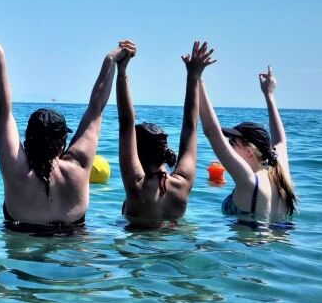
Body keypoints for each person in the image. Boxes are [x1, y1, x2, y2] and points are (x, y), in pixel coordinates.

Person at [0, 29, 132, 231]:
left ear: (27, 140)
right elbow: (96, 108)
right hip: (75, 246)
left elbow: (2, 110)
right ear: (62, 142)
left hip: (24, 246)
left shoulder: (16, 170)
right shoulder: (79, 167)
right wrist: (111, 60)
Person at [116, 41, 212, 228]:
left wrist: (121, 71)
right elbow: (190, 128)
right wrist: (193, 75)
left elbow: (126, 124)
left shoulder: (136, 186)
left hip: (138, 246)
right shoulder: (182, 183)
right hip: (173, 245)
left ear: (137, 153)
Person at [198, 63, 298, 225]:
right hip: (279, 239)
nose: (228, 147)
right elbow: (280, 140)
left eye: (232, 143)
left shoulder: (249, 180)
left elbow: (212, 133)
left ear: (250, 151)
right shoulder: (280, 173)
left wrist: (197, 79)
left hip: (249, 241)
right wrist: (269, 94)